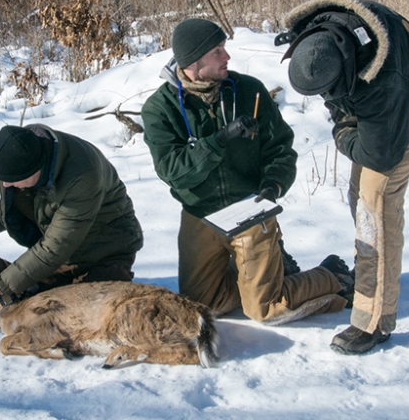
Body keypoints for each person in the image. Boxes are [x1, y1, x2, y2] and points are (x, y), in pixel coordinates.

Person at [141, 18, 352, 325]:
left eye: (224, 48)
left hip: (250, 210)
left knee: (266, 309)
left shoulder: (249, 91)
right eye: (217, 51)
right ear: (193, 60)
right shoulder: (160, 108)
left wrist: (273, 188)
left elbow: (280, 149)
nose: (227, 56)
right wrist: (219, 140)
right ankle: (264, 274)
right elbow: (173, 171)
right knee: (202, 308)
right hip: (200, 214)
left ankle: (332, 277)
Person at [276, 0, 409, 354]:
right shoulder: (323, 36)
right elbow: (337, 96)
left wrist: (342, 132)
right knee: (360, 196)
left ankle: (373, 320)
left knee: (377, 203)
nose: (325, 98)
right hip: (377, 99)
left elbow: (380, 154)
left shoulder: (383, 78)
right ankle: (371, 276)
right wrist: (342, 114)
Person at [0, 124, 143, 304]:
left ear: (36, 169)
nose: (6, 185)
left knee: (91, 308)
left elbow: (55, 247)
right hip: (64, 250)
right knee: (35, 298)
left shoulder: (83, 176)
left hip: (106, 247)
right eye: (2, 180)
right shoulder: (23, 154)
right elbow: (11, 206)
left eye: (11, 181)